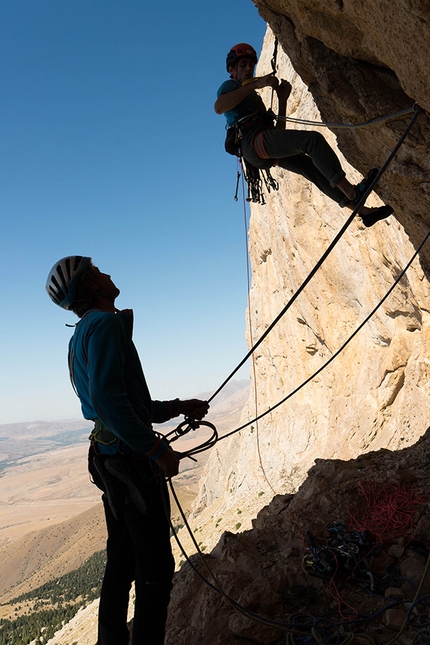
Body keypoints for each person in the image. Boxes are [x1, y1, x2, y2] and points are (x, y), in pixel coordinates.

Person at [46, 255, 209, 645]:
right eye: (97, 271)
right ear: (89, 286)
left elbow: (121, 403)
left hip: (107, 457)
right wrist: (155, 449)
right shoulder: (105, 325)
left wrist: (176, 408)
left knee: (120, 557)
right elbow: (108, 400)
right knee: (155, 565)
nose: (107, 273)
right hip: (128, 462)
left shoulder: (80, 335)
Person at [215, 43, 393, 227]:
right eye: (242, 65)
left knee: (309, 168)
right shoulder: (230, 86)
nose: (248, 69)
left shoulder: (252, 97)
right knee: (312, 140)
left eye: (250, 65)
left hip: (260, 148)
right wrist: (255, 84)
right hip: (253, 143)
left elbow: (279, 134)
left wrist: (282, 99)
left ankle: (364, 212)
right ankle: (353, 193)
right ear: (231, 69)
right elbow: (219, 107)